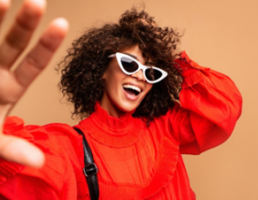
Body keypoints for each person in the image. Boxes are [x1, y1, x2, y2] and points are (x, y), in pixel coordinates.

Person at [0, 0, 242, 199]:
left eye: (151, 71)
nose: (140, 75)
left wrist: (167, 57)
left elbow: (223, 110)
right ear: (102, 69)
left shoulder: (166, 126)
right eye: (130, 63)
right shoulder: (70, 147)